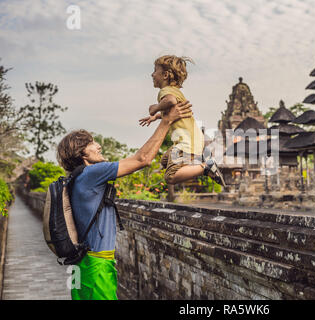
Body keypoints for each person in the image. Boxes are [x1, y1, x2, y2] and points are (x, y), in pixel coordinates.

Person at [56, 100, 192, 300]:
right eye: (91, 143)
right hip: (97, 265)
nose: (98, 145)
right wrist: (167, 122)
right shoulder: (92, 173)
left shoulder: (76, 178)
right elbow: (142, 159)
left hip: (80, 263)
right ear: (81, 152)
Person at [139, 55, 226, 187]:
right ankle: (196, 161)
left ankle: (205, 167)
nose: (152, 74)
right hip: (191, 140)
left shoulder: (165, 91)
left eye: (155, 71)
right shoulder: (174, 91)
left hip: (186, 142)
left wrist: (154, 109)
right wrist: (156, 117)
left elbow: (170, 101)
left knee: (171, 176)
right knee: (164, 161)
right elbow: (173, 109)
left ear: (165, 75)